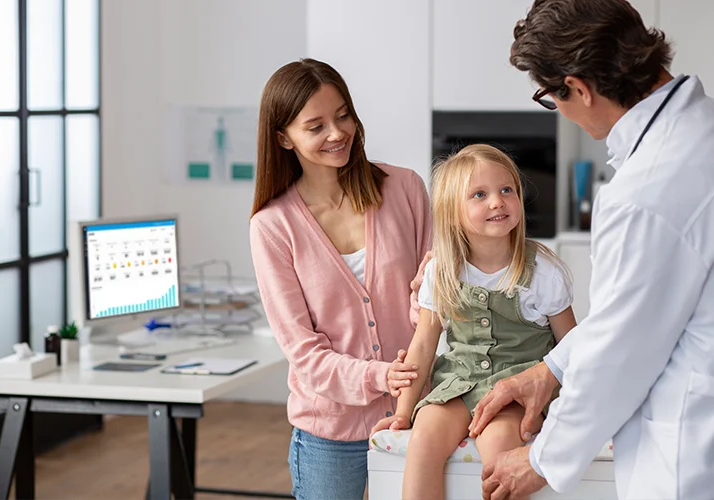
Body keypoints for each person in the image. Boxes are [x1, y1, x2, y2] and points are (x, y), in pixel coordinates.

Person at [469, 1, 714, 499]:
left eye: (549, 96)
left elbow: (621, 349)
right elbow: (637, 314)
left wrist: (543, 458)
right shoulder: (696, 134)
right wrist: (550, 369)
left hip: (690, 455)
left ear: (577, 88)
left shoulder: (645, 191)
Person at [249, 58, 431, 500]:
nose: (337, 133)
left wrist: (429, 297)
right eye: (315, 126)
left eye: (343, 114)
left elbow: (435, 304)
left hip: (418, 418)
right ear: (283, 138)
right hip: (329, 433)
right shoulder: (273, 227)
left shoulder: (404, 189)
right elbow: (305, 355)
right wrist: (381, 376)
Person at [371, 144, 577, 499]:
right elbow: (423, 345)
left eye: (506, 190)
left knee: (499, 444)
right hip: (458, 381)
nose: (497, 201)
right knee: (425, 436)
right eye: (479, 194)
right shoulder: (441, 271)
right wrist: (403, 413)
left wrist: (569, 413)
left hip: (516, 389)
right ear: (453, 213)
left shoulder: (543, 270)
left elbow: (573, 346)